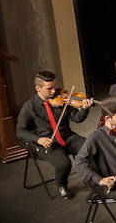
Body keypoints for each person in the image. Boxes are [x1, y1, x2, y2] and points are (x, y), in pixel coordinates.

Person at [16, 70, 92, 199]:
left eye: (54, 87)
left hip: (66, 136)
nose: (54, 91)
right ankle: (61, 184)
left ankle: (94, 180)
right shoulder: (29, 107)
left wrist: (85, 108)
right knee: (64, 164)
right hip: (47, 142)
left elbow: (77, 119)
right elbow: (20, 131)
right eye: (49, 88)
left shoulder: (61, 99)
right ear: (38, 88)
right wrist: (38, 139)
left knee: (91, 148)